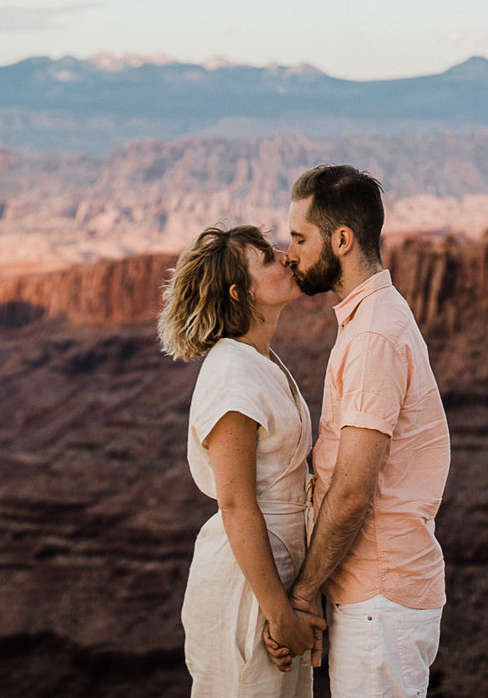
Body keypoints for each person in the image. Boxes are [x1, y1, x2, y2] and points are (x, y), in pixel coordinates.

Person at [277, 164, 452, 698]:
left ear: (342, 240)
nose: (291, 254)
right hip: (375, 596)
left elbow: (352, 492)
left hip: (381, 600)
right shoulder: (373, 318)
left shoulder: (373, 335)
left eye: (300, 238)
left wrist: (304, 594)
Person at [161, 223, 323, 697]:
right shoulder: (233, 374)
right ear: (239, 293)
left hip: (274, 579)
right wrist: (278, 613)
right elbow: (235, 504)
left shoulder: (261, 360)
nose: (287, 259)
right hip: (246, 588)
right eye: (269, 259)